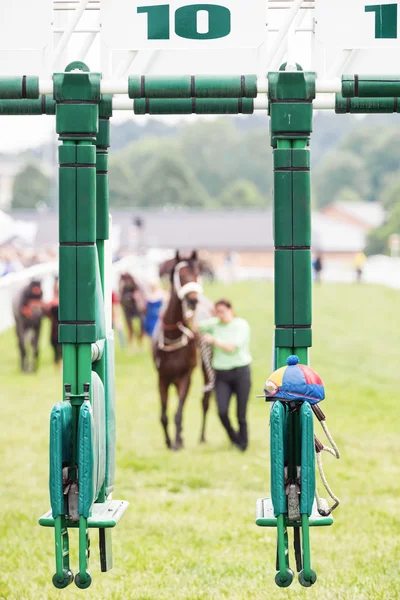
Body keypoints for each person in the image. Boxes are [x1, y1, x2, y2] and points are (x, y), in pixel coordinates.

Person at [198, 299, 252, 451]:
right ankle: (234, 438)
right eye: (217, 312)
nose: (220, 315)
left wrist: (213, 340)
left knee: (241, 413)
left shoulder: (241, 325)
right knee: (222, 411)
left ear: (231, 309)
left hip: (241, 372)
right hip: (222, 374)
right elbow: (194, 326)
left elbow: (231, 348)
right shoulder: (214, 324)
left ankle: (243, 444)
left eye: (222, 311)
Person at [45, 277, 62, 368]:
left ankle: (60, 363)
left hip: (60, 324)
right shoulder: (52, 301)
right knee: (55, 344)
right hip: (55, 325)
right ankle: (57, 362)